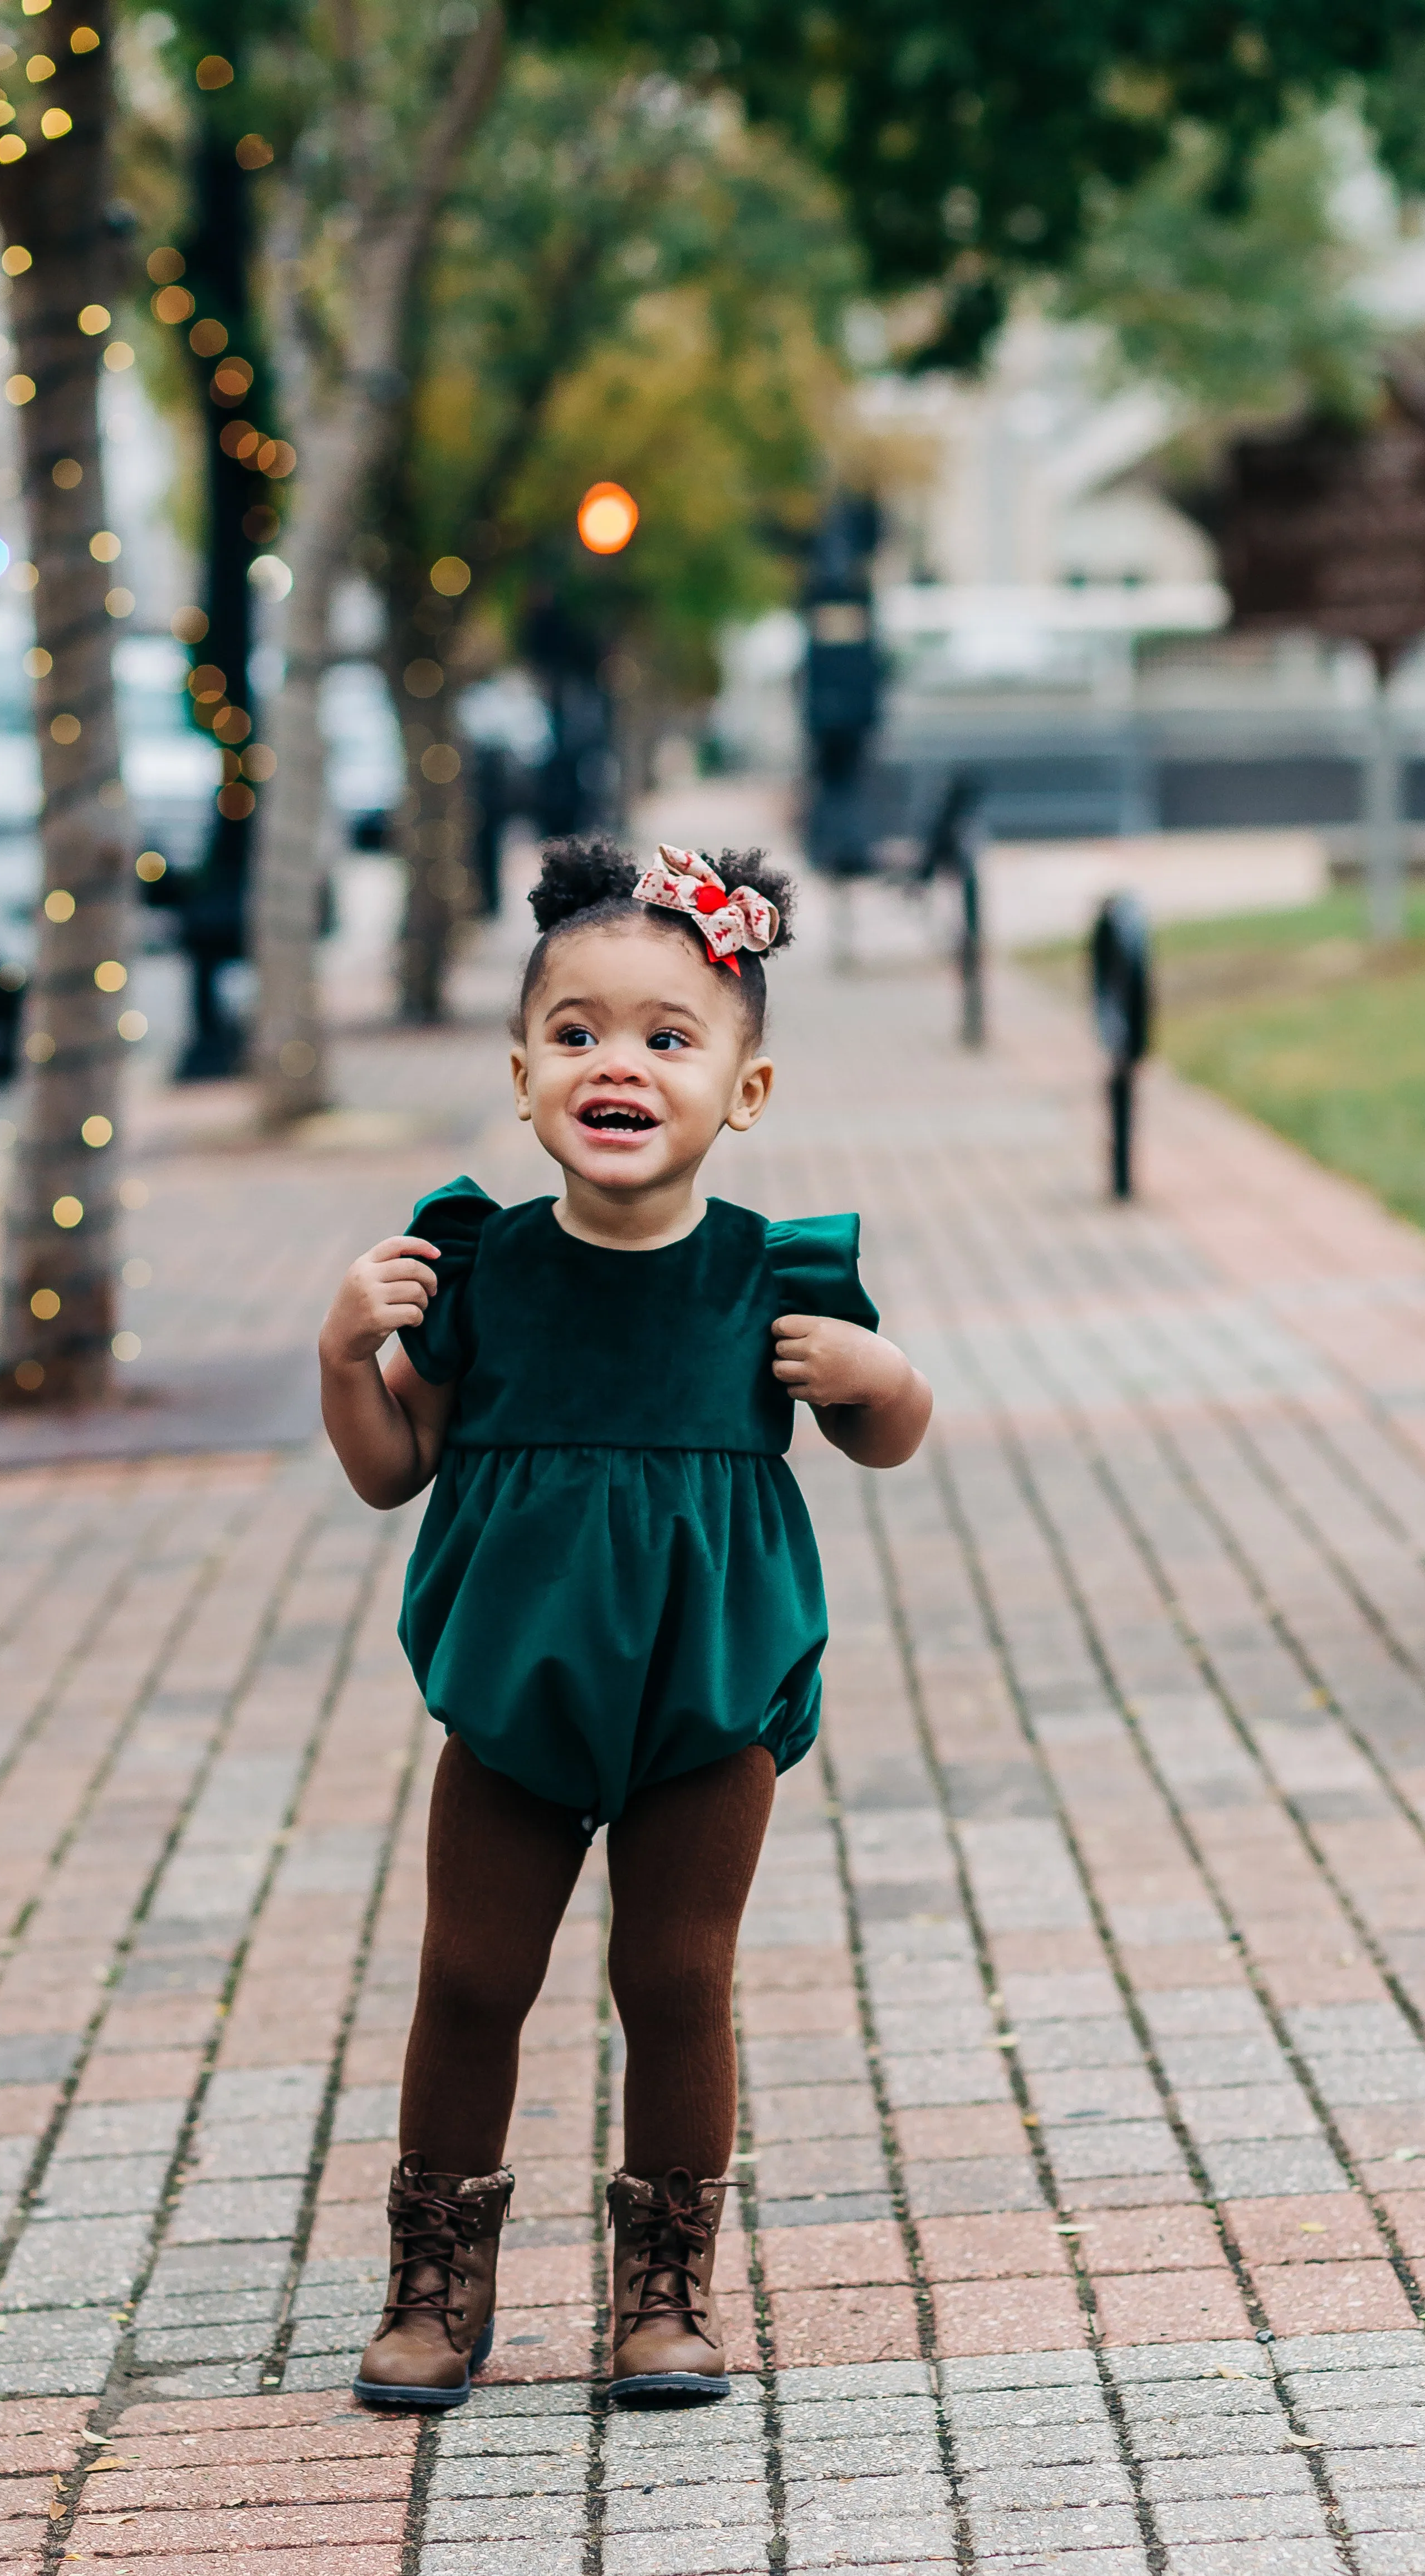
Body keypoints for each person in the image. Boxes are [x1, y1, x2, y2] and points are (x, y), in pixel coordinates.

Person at [318, 834, 932, 2409]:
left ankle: (665, 2281)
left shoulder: (774, 1278)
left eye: (670, 1036)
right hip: (518, 1696)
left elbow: (883, 1434)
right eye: (578, 1033)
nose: (619, 1063)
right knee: (471, 1970)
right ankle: (434, 2277)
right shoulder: (482, 1269)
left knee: (672, 1976)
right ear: (524, 1076)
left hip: (705, 1698)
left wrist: (880, 1385)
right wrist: (344, 1364)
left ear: (745, 1089)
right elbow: (398, 1469)